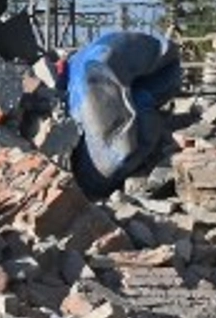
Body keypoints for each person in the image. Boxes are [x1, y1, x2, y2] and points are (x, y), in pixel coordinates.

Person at [47, 29, 186, 198]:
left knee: (135, 108)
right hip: (143, 65)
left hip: (126, 66)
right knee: (140, 103)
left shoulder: (92, 68)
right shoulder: (93, 64)